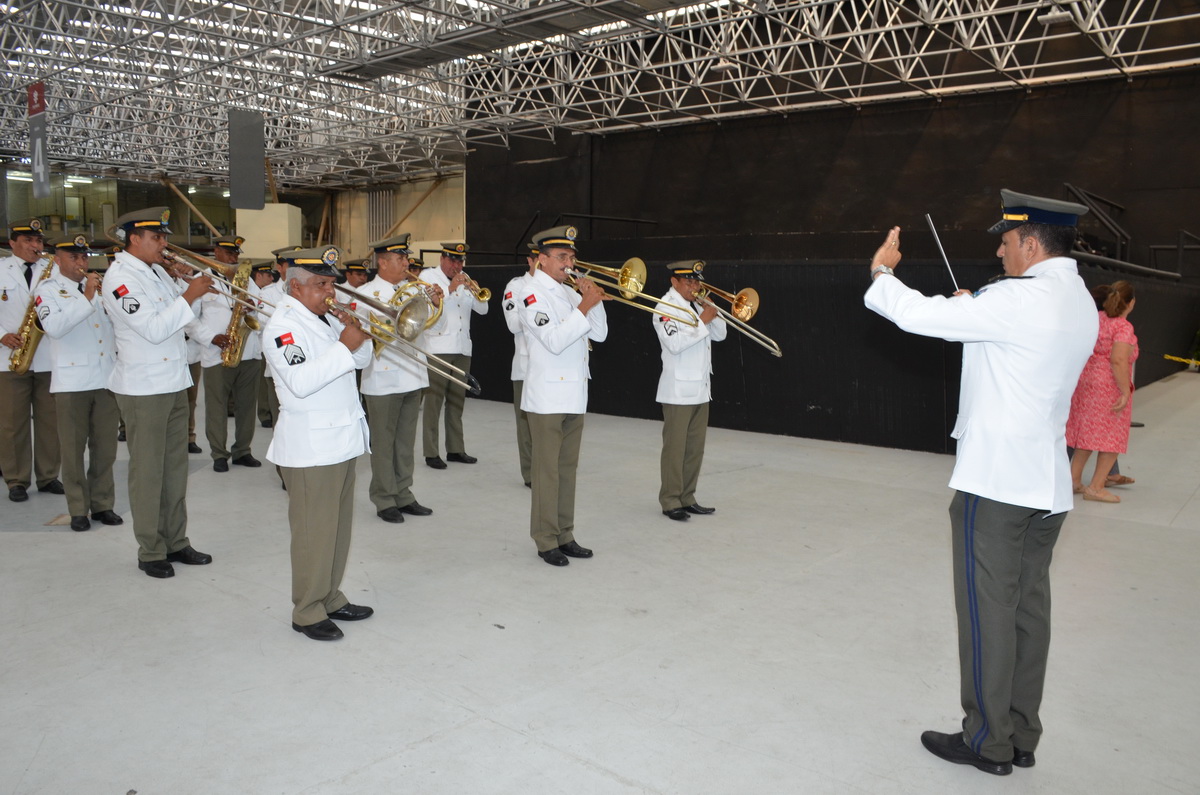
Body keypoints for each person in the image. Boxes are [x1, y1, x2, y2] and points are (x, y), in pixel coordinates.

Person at [863, 190, 1098, 776]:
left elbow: (917, 316)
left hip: (997, 485)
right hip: (1045, 484)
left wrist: (882, 273)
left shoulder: (1017, 298)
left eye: (1006, 240)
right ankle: (1020, 733)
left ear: (1031, 243)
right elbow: (1015, 347)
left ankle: (987, 741)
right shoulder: (1079, 299)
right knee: (1028, 611)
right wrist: (978, 310)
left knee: (986, 611)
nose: (1000, 250)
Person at [263, 245, 374, 641]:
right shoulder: (282, 328)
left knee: (337, 529)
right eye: (321, 284)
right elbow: (301, 381)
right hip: (311, 447)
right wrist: (345, 344)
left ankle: (330, 596)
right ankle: (307, 610)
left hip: (341, 439)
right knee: (314, 533)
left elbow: (359, 362)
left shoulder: (322, 319)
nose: (330, 292)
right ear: (295, 286)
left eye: (331, 284)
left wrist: (358, 336)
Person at [103, 207, 214, 578]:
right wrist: (189, 295)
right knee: (149, 472)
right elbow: (152, 329)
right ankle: (150, 549)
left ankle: (175, 540)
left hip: (174, 381)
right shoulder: (120, 279)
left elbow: (183, 319)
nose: (164, 243)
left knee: (174, 470)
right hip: (144, 388)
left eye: (165, 236)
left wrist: (189, 286)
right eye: (157, 237)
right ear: (134, 238)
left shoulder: (156, 272)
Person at [517, 225, 608, 566]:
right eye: (561, 257)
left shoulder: (569, 293)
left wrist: (592, 300)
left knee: (567, 469)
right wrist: (584, 305)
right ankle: (545, 539)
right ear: (541, 259)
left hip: (573, 393)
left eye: (571, 257)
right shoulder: (530, 294)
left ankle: (565, 533)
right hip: (547, 397)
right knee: (547, 472)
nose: (569, 263)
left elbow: (600, 334)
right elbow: (554, 340)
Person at [33, 234, 123, 532]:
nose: (80, 262)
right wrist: (86, 297)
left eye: (84, 257)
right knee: (72, 451)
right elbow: (54, 328)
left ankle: (103, 504)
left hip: (105, 378)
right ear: (57, 260)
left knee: (105, 449)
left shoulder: (100, 288)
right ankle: (77, 509)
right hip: (71, 382)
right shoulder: (47, 290)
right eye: (73, 257)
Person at [354, 234, 440, 524]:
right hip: (383, 378)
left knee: (405, 442)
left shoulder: (414, 290)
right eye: (401, 259)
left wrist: (433, 303)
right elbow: (363, 333)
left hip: (412, 375)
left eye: (406, 258)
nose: (406, 263)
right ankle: (384, 498)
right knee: (384, 442)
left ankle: (404, 493)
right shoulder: (366, 293)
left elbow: (427, 327)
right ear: (383, 262)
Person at [653, 260, 727, 521]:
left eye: (696, 281)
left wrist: (713, 313)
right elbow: (675, 343)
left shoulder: (695, 306)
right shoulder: (664, 307)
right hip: (677, 391)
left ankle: (687, 497)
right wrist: (702, 320)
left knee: (695, 449)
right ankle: (670, 500)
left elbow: (720, 335)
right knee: (675, 449)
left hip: (700, 389)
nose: (694, 287)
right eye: (688, 282)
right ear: (674, 282)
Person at [0, 218, 63, 502]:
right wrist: (2, 335)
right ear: (12, 243)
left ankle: (48, 476)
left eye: (38, 241)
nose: (35, 245)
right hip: (9, 358)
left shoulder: (54, 271)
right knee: (13, 424)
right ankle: (16, 480)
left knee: (51, 422)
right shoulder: (0, 270)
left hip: (48, 356)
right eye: (28, 240)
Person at [193, 235, 263, 473]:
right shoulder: (201, 279)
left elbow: (262, 310)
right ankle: (219, 454)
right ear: (216, 252)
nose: (233, 258)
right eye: (229, 253)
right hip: (217, 353)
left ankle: (243, 451)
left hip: (249, 352)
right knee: (217, 407)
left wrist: (252, 307)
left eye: (236, 254)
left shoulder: (247, 280)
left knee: (247, 407)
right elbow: (189, 319)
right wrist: (210, 337)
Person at [1066, 281, 1138, 503]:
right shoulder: (1123, 327)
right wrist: (1125, 391)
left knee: (1086, 433)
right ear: (1131, 303)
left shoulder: (1095, 319)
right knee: (1111, 437)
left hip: (1085, 381)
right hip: (1108, 386)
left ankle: (1073, 480)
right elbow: (1118, 359)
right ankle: (1096, 487)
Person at [420, 242, 487, 468]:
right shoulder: (428, 277)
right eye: (452, 260)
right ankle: (431, 452)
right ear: (442, 259)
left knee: (457, 402)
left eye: (460, 261)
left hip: (462, 348)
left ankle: (456, 449)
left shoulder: (465, 279)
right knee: (433, 403)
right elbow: (426, 308)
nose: (456, 266)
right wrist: (450, 289)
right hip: (437, 347)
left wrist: (475, 291)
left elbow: (483, 310)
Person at [501, 244, 538, 487]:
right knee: (527, 427)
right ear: (530, 261)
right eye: (538, 261)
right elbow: (513, 325)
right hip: (526, 367)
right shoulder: (516, 287)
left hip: (554, 368)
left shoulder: (559, 287)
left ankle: (548, 471)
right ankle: (531, 474)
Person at [258, 245, 301, 430]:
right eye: (290, 264)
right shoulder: (267, 293)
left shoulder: (306, 289)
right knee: (281, 421)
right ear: (279, 267)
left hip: (305, 360)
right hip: (278, 360)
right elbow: (263, 322)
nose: (294, 269)